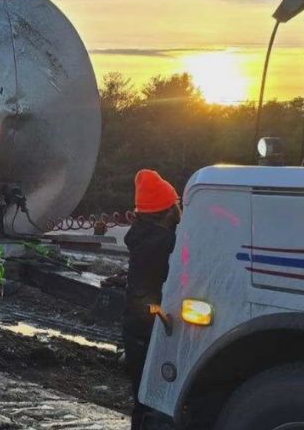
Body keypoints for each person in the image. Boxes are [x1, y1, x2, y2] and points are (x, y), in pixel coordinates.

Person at [123, 169, 181, 430]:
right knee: (158, 404)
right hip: (154, 327)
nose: (179, 208)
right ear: (167, 210)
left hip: (135, 326)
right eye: (176, 203)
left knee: (143, 399)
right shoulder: (167, 242)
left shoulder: (140, 237)